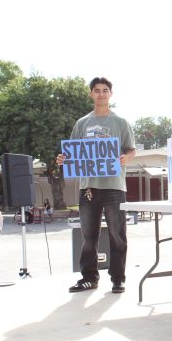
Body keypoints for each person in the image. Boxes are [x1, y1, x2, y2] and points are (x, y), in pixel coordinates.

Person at [57, 76, 136, 294]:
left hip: (114, 187)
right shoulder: (82, 123)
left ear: (111, 94)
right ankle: (89, 278)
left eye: (105, 90)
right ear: (91, 94)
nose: (101, 94)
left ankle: (118, 279)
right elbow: (71, 151)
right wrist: (63, 159)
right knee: (88, 235)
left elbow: (131, 149)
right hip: (88, 187)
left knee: (117, 235)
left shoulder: (120, 123)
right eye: (97, 90)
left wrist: (126, 158)